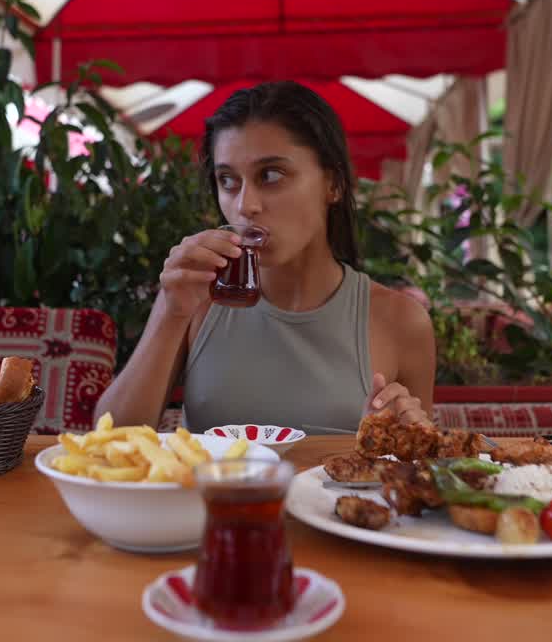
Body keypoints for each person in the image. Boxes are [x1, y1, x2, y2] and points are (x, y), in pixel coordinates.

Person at [96, 81, 435, 432]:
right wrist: (170, 311)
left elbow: (415, 471)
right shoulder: (196, 299)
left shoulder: (401, 322)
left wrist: (396, 436)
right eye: (227, 180)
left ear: (333, 184)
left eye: (270, 175)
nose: (245, 206)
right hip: (211, 489)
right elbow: (110, 439)